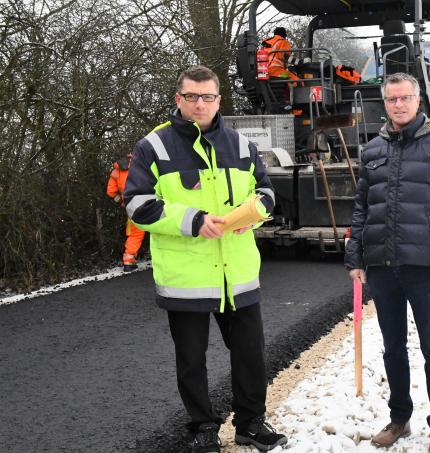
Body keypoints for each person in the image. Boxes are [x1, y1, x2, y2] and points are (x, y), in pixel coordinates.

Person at [124, 65, 287, 453]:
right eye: (192, 96)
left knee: (250, 355)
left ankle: (250, 424)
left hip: (239, 274)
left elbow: (265, 189)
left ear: (219, 100)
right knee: (192, 361)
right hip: (188, 276)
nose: (200, 104)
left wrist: (258, 210)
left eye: (208, 97)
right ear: (178, 99)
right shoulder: (154, 146)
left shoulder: (242, 145)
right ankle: (202, 427)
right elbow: (137, 205)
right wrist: (193, 221)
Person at [344, 72, 430, 453]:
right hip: (383, 265)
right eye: (391, 100)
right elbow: (361, 208)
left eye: (404, 98)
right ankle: (399, 418)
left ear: (418, 100)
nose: (398, 105)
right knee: (392, 347)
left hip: (424, 265)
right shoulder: (372, 150)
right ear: (384, 103)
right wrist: (355, 257)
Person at [106, 150, 146, 272]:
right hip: (148, 200)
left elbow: (110, 191)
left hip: (131, 205)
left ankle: (128, 260)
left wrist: (122, 202)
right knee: (160, 228)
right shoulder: (143, 163)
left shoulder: (117, 170)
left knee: (135, 232)